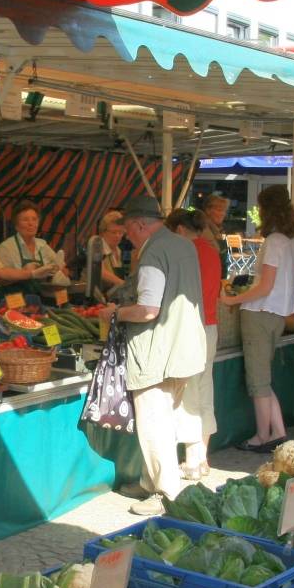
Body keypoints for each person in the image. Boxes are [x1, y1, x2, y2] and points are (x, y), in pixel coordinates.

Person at [100, 197, 205, 514]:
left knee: (154, 423)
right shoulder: (183, 245)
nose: (127, 237)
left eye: (128, 230)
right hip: (184, 346)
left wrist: (115, 313)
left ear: (140, 225)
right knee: (167, 419)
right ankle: (149, 481)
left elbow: (147, 309)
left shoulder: (152, 254)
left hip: (157, 350)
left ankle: (165, 492)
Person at [220, 185, 294, 452]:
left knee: (258, 381)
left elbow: (265, 286)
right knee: (263, 379)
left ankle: (262, 437)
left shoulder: (275, 241)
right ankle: (277, 432)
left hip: (260, 314)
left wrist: (231, 299)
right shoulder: (290, 240)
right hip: (277, 315)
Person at [166, 207, 220, 478]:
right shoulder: (210, 250)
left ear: (178, 230)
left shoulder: (186, 252)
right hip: (210, 326)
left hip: (192, 327)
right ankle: (202, 456)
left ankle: (192, 459)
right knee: (204, 389)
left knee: (188, 394)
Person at [0, 200, 71, 299]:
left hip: (40, 301)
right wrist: (25, 273)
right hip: (13, 302)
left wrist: (62, 271)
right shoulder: (5, 248)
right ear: (16, 226)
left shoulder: (43, 245)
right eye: (25, 220)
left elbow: (60, 267)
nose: (31, 223)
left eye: (34, 219)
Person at [200, 193, 231, 277]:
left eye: (224, 211)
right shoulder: (204, 230)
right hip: (209, 276)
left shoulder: (217, 230)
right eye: (219, 210)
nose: (223, 214)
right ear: (208, 210)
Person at [96, 210, 128, 292]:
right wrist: (123, 284)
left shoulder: (119, 251)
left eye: (120, 232)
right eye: (113, 232)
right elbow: (100, 271)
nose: (117, 236)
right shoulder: (96, 247)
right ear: (103, 232)